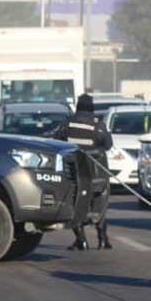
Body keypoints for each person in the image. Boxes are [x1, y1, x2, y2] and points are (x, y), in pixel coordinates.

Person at [54, 93, 113, 250]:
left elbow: (56, 141)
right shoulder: (98, 125)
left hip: (75, 175)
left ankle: (81, 239)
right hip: (97, 175)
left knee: (75, 206)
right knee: (100, 205)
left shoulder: (68, 124)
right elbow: (108, 144)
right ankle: (102, 238)